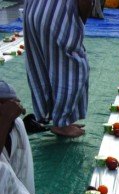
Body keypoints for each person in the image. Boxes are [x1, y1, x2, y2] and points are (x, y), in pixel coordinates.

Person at [23, 0, 93, 138]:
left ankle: (52, 116)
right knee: (72, 67)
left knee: (43, 65)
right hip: (55, 16)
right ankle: (61, 124)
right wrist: (80, 21)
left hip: (33, 10)